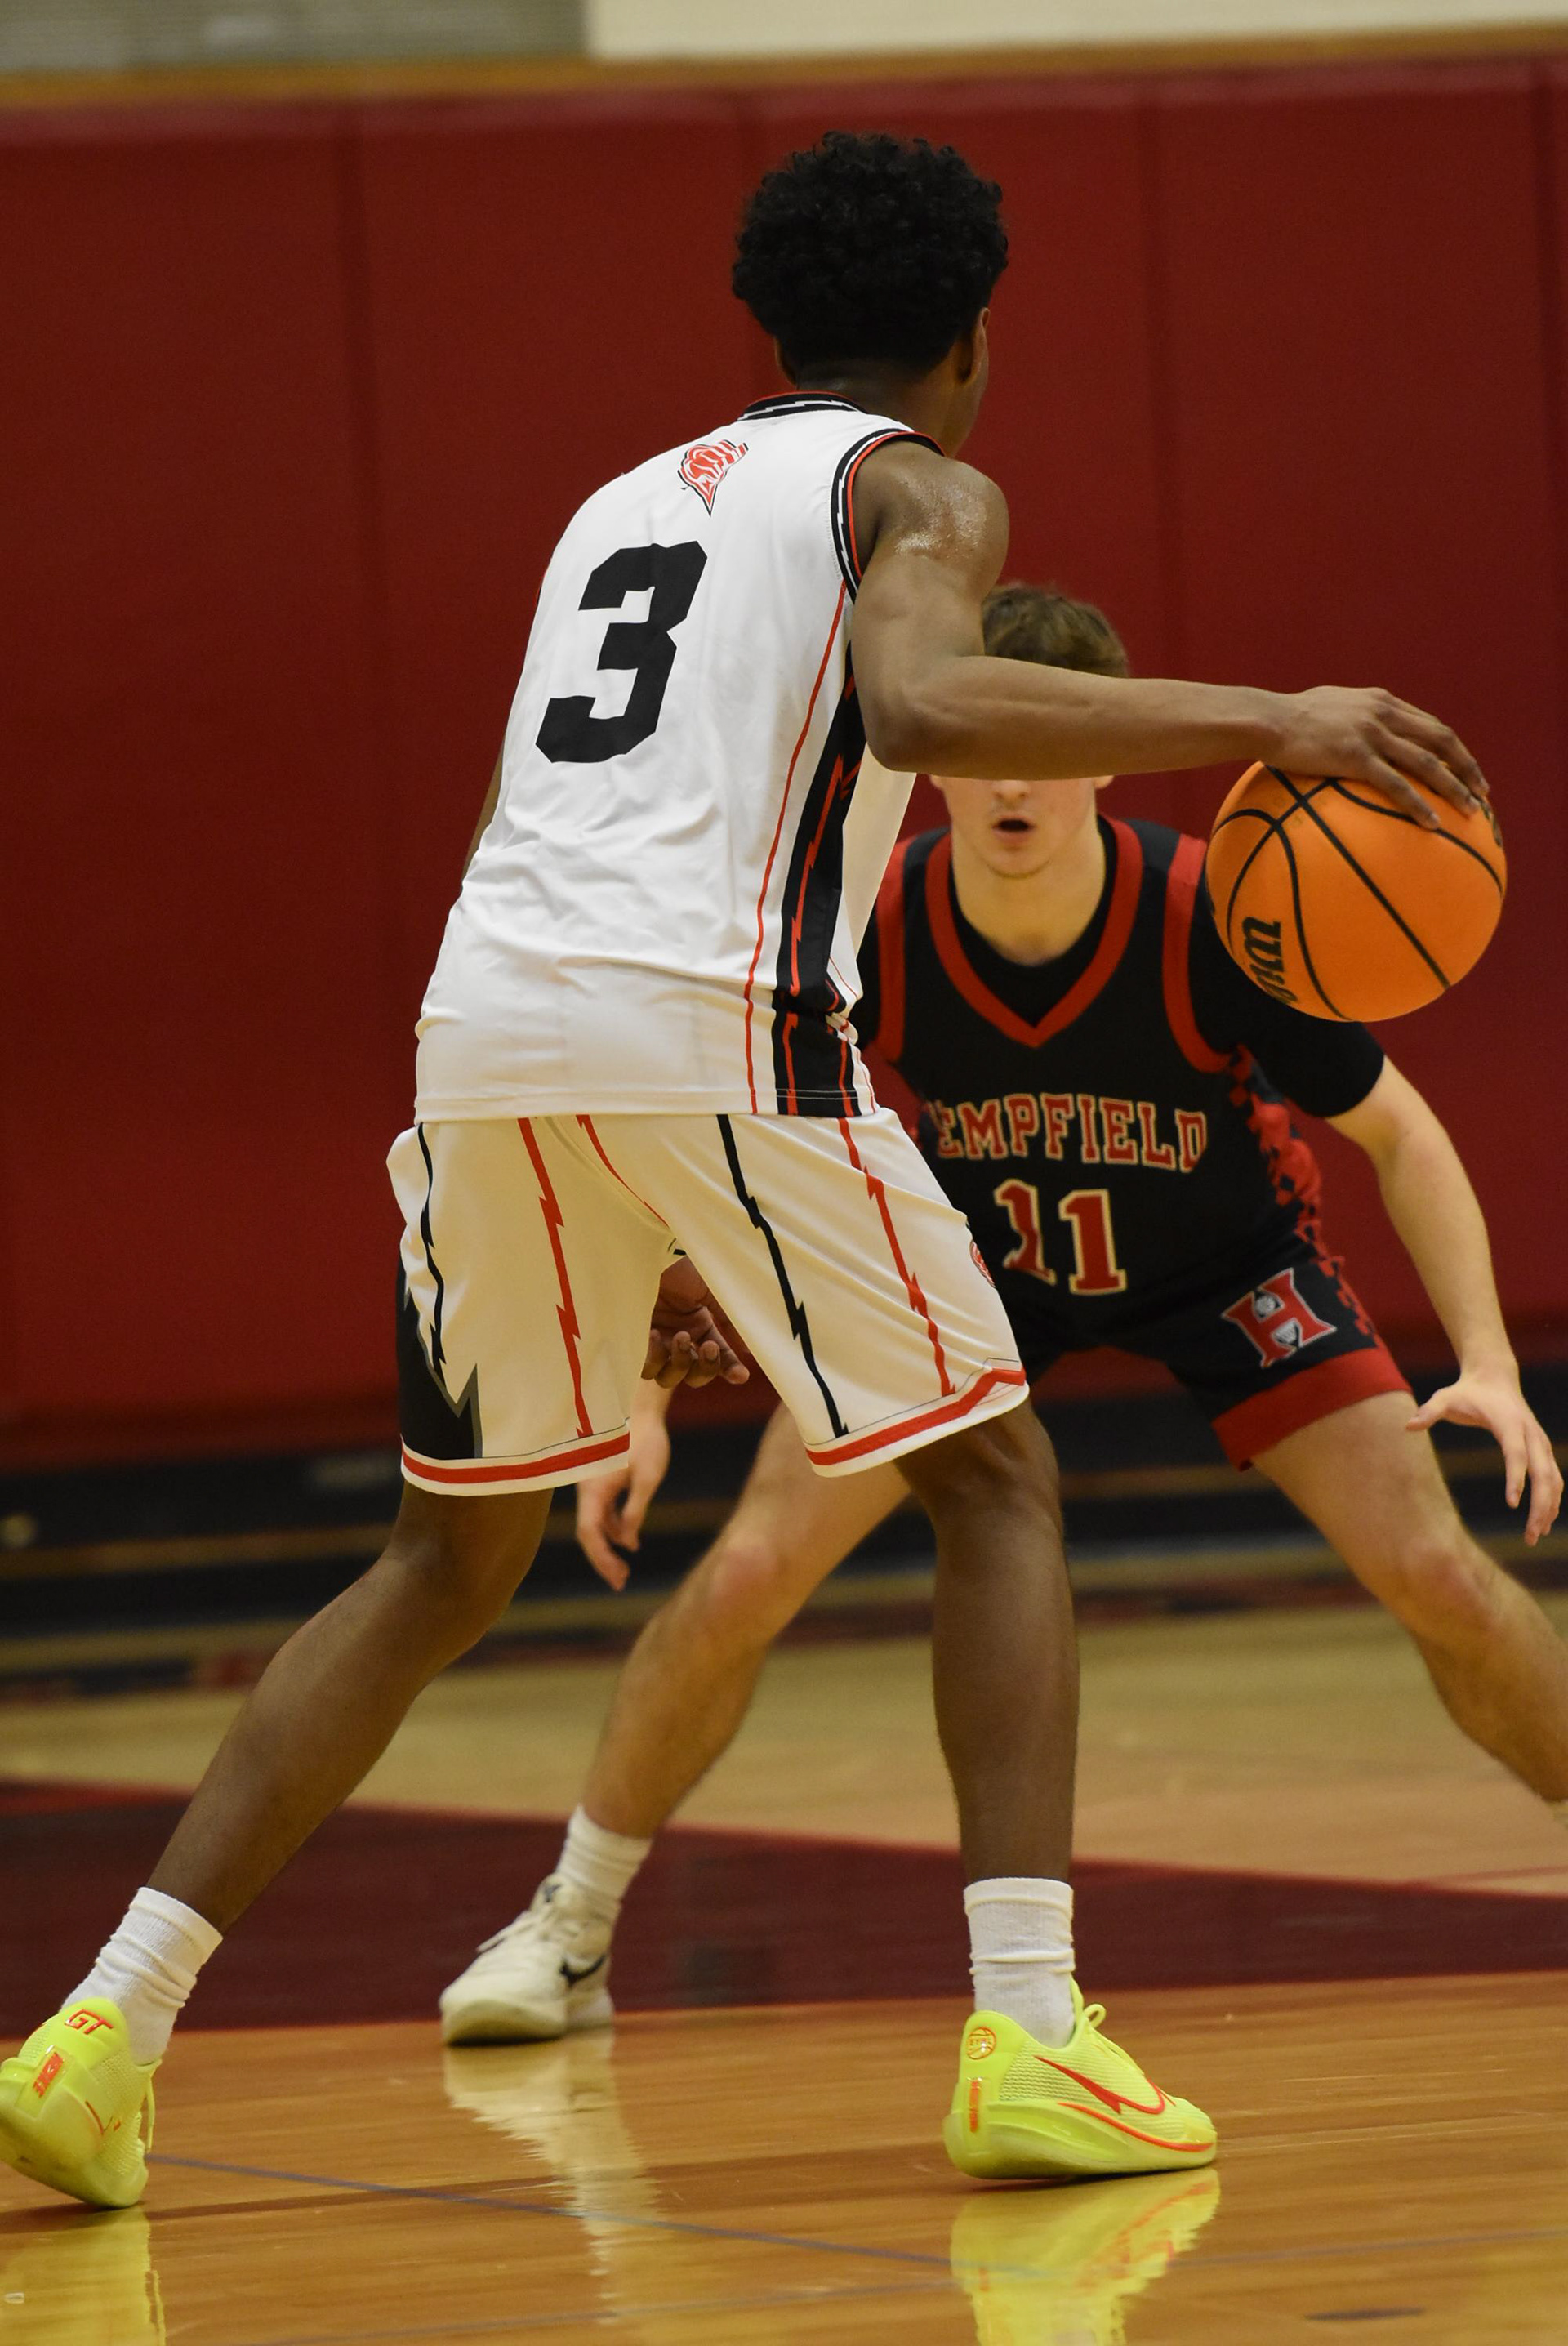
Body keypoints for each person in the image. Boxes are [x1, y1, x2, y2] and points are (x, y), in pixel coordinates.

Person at [1, 132, 1486, 2210]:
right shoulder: (922, 486)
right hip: (715, 1010)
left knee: (441, 1563)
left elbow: (583, 802)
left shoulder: (616, 503)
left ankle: (101, 2028)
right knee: (997, 1480)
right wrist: (1277, 715)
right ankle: (1034, 2032)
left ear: (768, 320)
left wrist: (654, 1217)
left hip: (487, 1020)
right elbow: (923, 698)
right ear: (972, 340)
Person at [439, 586, 1566, 2098]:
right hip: (972, 1275)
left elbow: (1402, 1135)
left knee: (1436, 1571)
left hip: (1226, 1267)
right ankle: (569, 1924)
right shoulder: (864, 928)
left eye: (1049, 746)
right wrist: (636, 1393)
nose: (1014, 782)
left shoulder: (1218, 914)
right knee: (751, 1571)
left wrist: (1485, 1360)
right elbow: (717, 1152)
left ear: (1105, 755)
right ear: (935, 757)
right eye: (986, 747)